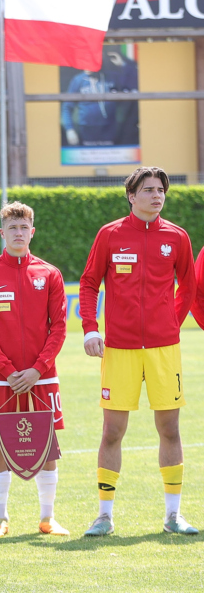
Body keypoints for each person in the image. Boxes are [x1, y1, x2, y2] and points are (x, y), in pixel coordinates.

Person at [80, 166, 198, 536]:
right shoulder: (110, 235)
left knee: (170, 427)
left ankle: (173, 516)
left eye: (161, 189)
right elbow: (88, 283)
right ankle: (104, 516)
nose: (156, 195)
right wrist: (90, 329)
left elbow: (189, 289)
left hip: (165, 350)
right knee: (112, 431)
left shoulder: (177, 237)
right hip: (119, 349)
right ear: (131, 196)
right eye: (148, 190)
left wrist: (169, 325)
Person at [0, 202, 68, 538]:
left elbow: (59, 328)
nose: (18, 233)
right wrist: (9, 370)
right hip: (2, 379)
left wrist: (38, 369)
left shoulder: (49, 273)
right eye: (12, 228)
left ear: (32, 232)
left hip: (43, 376)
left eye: (24, 228)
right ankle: (0, 519)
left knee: (48, 443)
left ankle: (47, 518)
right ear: (2, 233)